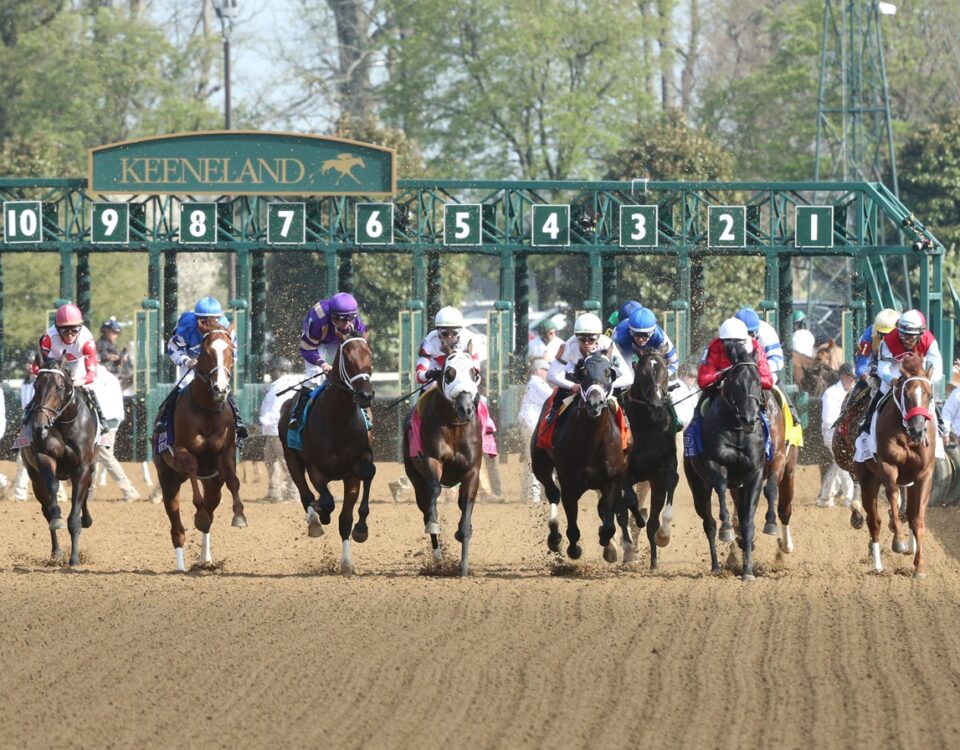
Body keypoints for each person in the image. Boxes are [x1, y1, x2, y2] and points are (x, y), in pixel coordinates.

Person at [160, 296, 248, 440]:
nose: (210, 324)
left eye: (214, 320)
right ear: (197, 319)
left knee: (223, 386)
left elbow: (233, 356)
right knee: (182, 385)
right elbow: (173, 349)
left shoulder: (227, 330)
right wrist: (187, 361)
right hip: (191, 360)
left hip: (214, 364)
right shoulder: (186, 327)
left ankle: (238, 421)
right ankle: (164, 420)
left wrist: (220, 367)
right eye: (204, 321)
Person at [685, 317, 774, 449]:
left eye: (739, 342)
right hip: (719, 387)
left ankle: (768, 448)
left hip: (748, 388)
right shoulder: (715, 346)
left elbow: (768, 380)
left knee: (768, 411)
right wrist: (722, 376)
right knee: (699, 412)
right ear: (723, 342)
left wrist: (746, 378)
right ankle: (693, 448)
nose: (734, 347)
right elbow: (703, 380)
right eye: (730, 342)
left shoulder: (755, 346)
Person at [288, 291, 368, 427]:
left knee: (352, 372)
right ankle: (297, 414)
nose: (347, 323)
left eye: (350, 319)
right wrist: (322, 363)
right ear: (333, 316)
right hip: (316, 343)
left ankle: (363, 412)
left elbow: (359, 349)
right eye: (343, 320)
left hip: (337, 340)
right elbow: (307, 349)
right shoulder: (318, 320)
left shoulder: (356, 322)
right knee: (314, 375)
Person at [861, 308, 944, 435]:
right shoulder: (888, 340)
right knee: (884, 387)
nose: (905, 339)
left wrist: (925, 380)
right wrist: (890, 379)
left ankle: (940, 425)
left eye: (910, 336)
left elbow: (937, 367)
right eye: (902, 334)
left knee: (924, 393)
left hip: (918, 368)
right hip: (895, 366)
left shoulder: (929, 340)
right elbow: (883, 368)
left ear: (920, 334)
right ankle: (868, 421)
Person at [543, 312, 634, 424]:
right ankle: (553, 411)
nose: (586, 343)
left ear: (599, 337)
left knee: (619, 392)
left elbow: (628, 377)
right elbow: (551, 374)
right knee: (562, 389)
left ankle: (624, 418)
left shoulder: (607, 344)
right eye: (581, 339)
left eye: (591, 339)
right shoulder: (568, 347)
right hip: (576, 374)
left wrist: (609, 385)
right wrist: (571, 386)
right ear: (576, 336)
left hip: (601, 380)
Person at [36, 303, 108, 433]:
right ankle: (26, 421)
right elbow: (37, 365)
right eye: (65, 331)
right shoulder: (49, 337)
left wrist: (83, 380)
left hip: (77, 362)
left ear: (80, 328)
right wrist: (42, 374)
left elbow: (92, 374)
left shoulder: (87, 342)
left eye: (74, 330)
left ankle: (102, 422)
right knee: (43, 386)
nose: (70, 335)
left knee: (90, 388)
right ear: (57, 329)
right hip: (54, 360)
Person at [91, 367, 140, 502]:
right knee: (95, 457)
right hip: (111, 422)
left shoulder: (95, 378)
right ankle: (88, 493)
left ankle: (129, 490)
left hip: (104, 424)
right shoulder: (110, 377)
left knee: (105, 455)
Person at [258, 358, 301, 502]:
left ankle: (294, 493)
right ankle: (274, 492)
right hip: (272, 430)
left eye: (274, 369)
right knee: (271, 461)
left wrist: (263, 421)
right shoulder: (278, 385)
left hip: (279, 430)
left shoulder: (284, 385)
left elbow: (278, 409)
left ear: (283, 370)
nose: (271, 372)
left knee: (286, 463)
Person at [818, 363, 856, 507]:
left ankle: (825, 497)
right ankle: (849, 498)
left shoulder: (855, 392)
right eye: (849, 376)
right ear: (842, 376)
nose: (851, 379)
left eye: (853, 377)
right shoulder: (831, 393)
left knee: (838, 464)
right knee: (845, 462)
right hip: (832, 434)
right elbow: (829, 420)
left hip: (850, 435)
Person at [517, 358, 552, 503]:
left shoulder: (534, 382)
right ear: (539, 370)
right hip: (531, 423)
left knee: (530, 458)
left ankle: (527, 494)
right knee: (534, 459)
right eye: (546, 370)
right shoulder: (537, 382)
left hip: (529, 422)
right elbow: (552, 395)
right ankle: (533, 495)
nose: (547, 373)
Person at [614, 306, 679, 377]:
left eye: (645, 335)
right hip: (625, 348)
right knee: (627, 376)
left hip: (641, 346)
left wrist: (662, 376)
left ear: (653, 332)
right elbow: (613, 362)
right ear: (630, 331)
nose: (641, 339)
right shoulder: (621, 338)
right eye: (636, 334)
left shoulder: (660, 338)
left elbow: (674, 363)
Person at [734, 307, 784, 381]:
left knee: (776, 382)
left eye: (750, 334)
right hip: (735, 373)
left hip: (762, 372)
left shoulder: (767, 332)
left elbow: (778, 360)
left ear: (756, 332)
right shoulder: (729, 333)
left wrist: (756, 369)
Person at [854, 308, 900, 383]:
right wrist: (868, 379)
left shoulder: (905, 337)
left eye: (890, 335)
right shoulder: (867, 337)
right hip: (875, 364)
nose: (886, 339)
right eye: (882, 335)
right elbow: (861, 366)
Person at [96, 316, 132, 390]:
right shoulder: (100, 344)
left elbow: (118, 361)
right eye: (114, 333)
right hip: (106, 376)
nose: (116, 335)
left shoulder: (111, 345)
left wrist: (122, 358)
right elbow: (98, 357)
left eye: (117, 333)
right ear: (107, 331)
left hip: (116, 374)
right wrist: (108, 356)